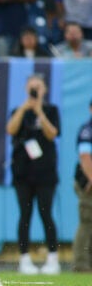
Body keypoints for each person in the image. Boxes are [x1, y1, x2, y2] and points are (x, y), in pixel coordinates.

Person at [6, 74, 61, 275]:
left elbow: (52, 134)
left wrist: (39, 111)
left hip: (45, 173)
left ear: (44, 89)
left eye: (38, 87)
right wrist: (24, 108)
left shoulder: (51, 110)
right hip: (23, 173)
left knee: (46, 214)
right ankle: (24, 258)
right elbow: (10, 129)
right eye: (31, 88)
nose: (35, 91)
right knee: (25, 216)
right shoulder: (19, 111)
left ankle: (53, 258)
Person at [73, 99, 92, 272]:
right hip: (88, 184)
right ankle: (80, 264)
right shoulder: (87, 130)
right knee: (87, 221)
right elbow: (85, 156)